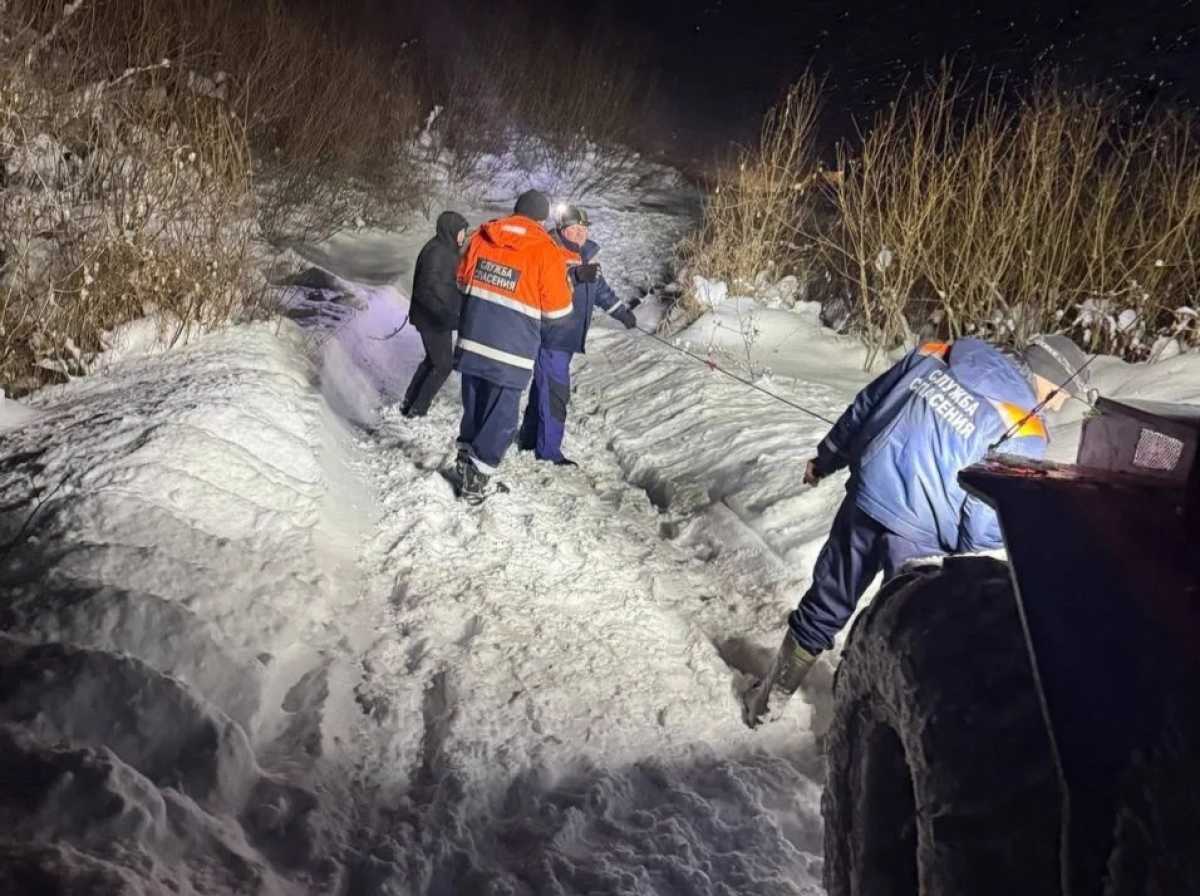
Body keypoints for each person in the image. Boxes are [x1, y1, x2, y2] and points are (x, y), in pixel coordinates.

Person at [743, 333, 1091, 727]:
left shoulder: (939, 353)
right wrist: (966, 543)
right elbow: (980, 524)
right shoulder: (1025, 431)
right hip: (918, 540)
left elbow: (869, 403)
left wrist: (827, 458)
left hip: (867, 498)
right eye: (1066, 395)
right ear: (1052, 380)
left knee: (829, 597)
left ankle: (766, 704)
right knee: (894, 634)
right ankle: (851, 733)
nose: (1061, 405)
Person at [452, 189, 573, 502]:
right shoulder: (546, 250)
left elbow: (461, 281)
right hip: (511, 350)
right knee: (502, 418)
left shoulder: (482, 236)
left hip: (472, 340)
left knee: (474, 405)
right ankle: (476, 480)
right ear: (542, 219)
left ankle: (464, 462)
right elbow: (558, 312)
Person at [517, 204, 637, 466]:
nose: (580, 233)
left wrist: (622, 313)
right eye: (574, 229)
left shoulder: (587, 255)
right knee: (556, 393)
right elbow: (544, 284)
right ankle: (549, 453)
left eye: (584, 229)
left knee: (544, 387)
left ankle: (529, 437)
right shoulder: (550, 250)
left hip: (568, 337)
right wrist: (574, 275)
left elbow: (601, 291)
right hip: (551, 335)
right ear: (561, 229)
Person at [401, 210, 469, 418]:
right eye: (461, 232)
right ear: (450, 231)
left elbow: (446, 286)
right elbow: (428, 289)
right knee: (443, 366)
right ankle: (418, 409)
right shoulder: (437, 252)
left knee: (433, 361)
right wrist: (443, 312)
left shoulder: (446, 249)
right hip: (432, 318)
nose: (463, 236)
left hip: (438, 317)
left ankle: (410, 402)